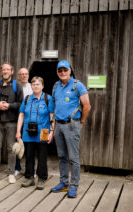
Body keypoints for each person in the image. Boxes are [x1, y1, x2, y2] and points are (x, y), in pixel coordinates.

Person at [50, 60, 91, 198]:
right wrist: (53, 126)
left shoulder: (77, 85)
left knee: (73, 157)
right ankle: (64, 182)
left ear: (70, 71)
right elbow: (55, 106)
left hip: (71, 124)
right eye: (60, 70)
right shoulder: (56, 86)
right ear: (57, 72)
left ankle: (74, 185)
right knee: (62, 156)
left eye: (65, 70)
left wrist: (82, 121)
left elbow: (87, 106)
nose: (62, 73)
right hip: (59, 125)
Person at [16, 76, 54, 190]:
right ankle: (29, 178)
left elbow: (52, 116)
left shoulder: (48, 98)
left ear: (42, 86)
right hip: (28, 132)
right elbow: (21, 115)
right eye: (33, 84)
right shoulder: (27, 98)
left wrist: (52, 132)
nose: (35, 86)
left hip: (43, 132)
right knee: (29, 156)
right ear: (31, 86)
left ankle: (41, 178)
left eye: (38, 84)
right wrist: (18, 131)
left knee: (42, 156)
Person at [0, 62, 23, 184]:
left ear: (12, 72)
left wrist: (9, 106)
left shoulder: (16, 86)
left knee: (11, 149)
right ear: (1, 72)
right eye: (3, 70)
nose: (5, 72)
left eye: (8, 69)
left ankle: (11, 173)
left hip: (11, 122)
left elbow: (20, 104)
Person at [14, 67, 33, 176]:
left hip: (30, 120)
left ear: (28, 75)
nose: (24, 76)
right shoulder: (15, 87)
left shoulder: (33, 87)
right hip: (18, 119)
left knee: (30, 145)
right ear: (18, 76)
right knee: (18, 144)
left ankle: (30, 169)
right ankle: (17, 167)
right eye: (21, 74)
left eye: (25, 74)